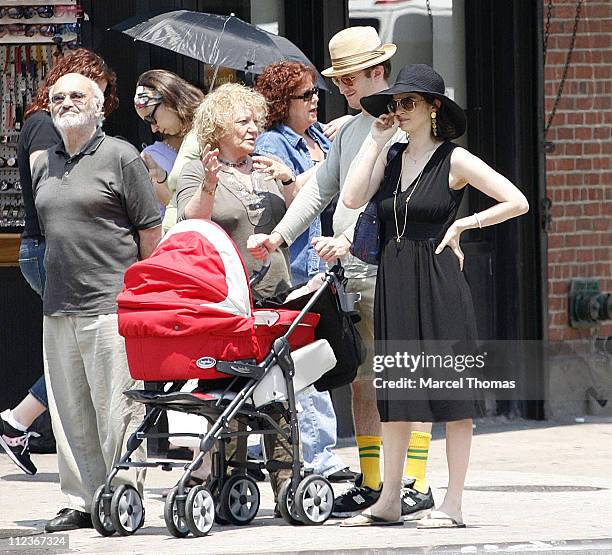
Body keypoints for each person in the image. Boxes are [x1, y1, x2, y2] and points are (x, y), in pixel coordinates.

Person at [247, 27, 435, 520]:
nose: (342, 89)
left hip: (400, 265)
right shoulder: (353, 130)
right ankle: (373, 482)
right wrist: (279, 238)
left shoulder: (407, 126)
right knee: (361, 378)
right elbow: (320, 191)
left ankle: (414, 480)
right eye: (340, 80)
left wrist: (350, 239)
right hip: (351, 271)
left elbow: (402, 202)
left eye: (350, 79)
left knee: (404, 375)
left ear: (378, 72)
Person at [339, 64, 529, 527]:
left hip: (440, 277)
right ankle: (388, 500)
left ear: (432, 108)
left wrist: (466, 223)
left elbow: (517, 200)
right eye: (395, 103)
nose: (399, 111)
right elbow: (349, 199)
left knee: (452, 393)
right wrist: (376, 139)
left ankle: (454, 504)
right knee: (399, 392)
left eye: (408, 103)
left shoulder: (454, 159)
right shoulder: (391, 155)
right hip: (396, 277)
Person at [32, 73, 162, 532]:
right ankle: (82, 501)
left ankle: (124, 495)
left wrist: (145, 295)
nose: (66, 102)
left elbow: (150, 230)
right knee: (70, 411)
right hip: (59, 304)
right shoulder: (43, 163)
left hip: (113, 301)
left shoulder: (120, 155)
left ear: (99, 103)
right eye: (57, 97)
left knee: (118, 409)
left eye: (76, 95)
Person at [176, 82, 301, 499]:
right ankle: (229, 480)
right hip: (226, 297)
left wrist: (287, 181)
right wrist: (210, 183)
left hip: (275, 294)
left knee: (278, 389)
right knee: (230, 390)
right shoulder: (198, 168)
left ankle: (286, 481)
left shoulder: (265, 165)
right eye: (243, 121)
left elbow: (301, 213)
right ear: (218, 127)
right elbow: (190, 223)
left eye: (256, 121)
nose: (254, 129)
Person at [0, 49, 119, 477]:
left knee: (79, 351)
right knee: (78, 353)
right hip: (50, 250)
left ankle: (20, 420)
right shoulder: (45, 128)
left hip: (50, 249)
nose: (91, 103)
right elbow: (51, 191)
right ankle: (19, 420)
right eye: (95, 91)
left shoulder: (44, 126)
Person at [254, 60, 356, 483]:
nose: (315, 101)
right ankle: (318, 459)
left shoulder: (319, 134)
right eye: (305, 95)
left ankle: (314, 454)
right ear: (283, 103)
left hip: (328, 262)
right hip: (295, 267)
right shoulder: (272, 143)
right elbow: (297, 197)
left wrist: (351, 126)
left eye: (317, 93)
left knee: (321, 357)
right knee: (304, 364)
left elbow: (354, 175)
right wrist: (311, 172)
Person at [133, 70, 204, 214]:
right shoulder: (152, 156)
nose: (154, 128)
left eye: (151, 118)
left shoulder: (209, 131)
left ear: (168, 100)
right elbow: (173, 207)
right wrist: (160, 179)